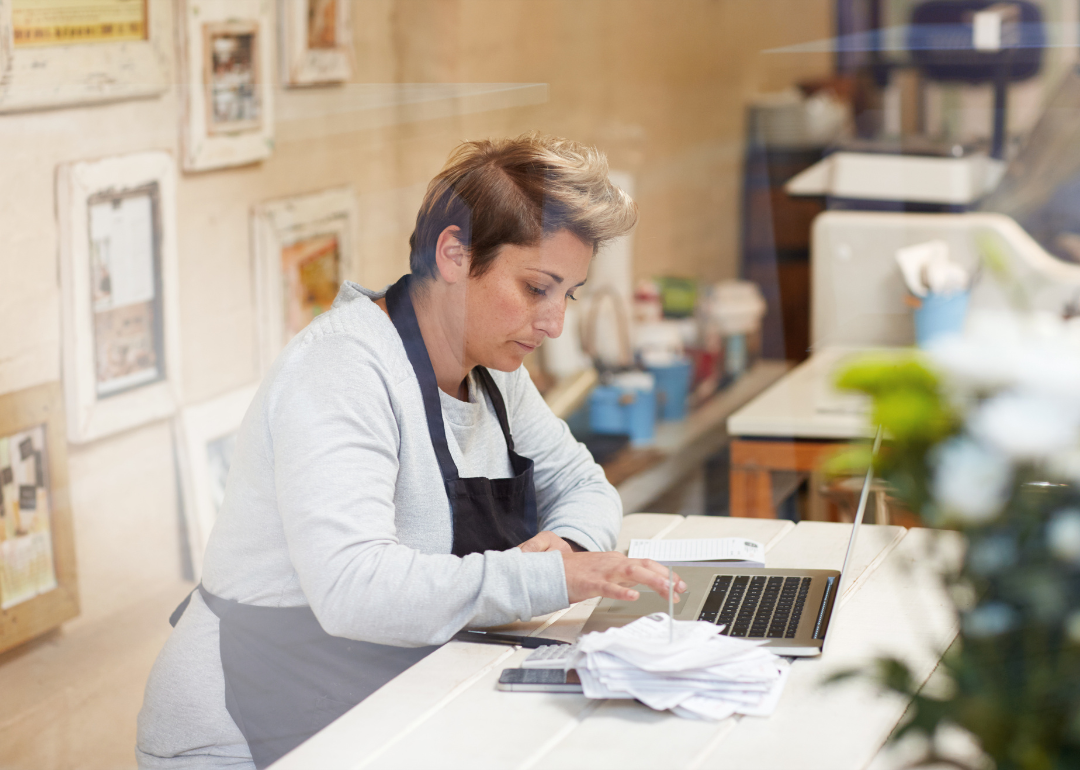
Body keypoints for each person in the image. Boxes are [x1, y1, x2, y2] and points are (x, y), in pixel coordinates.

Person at [136, 132, 686, 769]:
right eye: (537, 288)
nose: (554, 322)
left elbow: (586, 487)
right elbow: (354, 587)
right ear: (454, 254)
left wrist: (565, 546)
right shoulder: (343, 369)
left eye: (570, 293)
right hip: (253, 730)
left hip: (388, 695)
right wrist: (551, 578)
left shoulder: (495, 369)